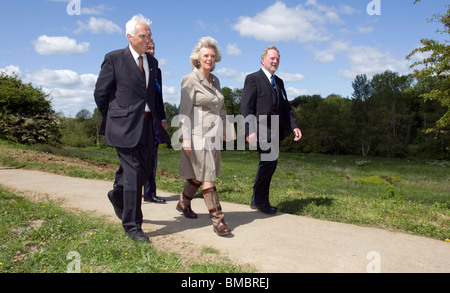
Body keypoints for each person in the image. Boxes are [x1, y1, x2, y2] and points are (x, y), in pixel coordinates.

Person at [94, 14, 160, 242]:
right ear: (130, 36)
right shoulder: (114, 59)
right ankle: (133, 226)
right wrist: (114, 117)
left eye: (149, 35)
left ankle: (117, 195)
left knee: (143, 171)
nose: (147, 39)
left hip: (146, 126)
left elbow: (152, 95)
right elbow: (101, 94)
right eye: (143, 35)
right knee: (132, 174)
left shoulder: (152, 62)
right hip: (122, 126)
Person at [177, 36, 232, 237]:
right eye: (205, 55)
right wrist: (186, 138)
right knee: (208, 175)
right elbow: (184, 111)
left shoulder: (215, 80)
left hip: (214, 135)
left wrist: (227, 129)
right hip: (197, 134)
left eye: (212, 55)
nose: (209, 58)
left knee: (198, 175)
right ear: (198, 58)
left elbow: (222, 108)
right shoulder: (190, 80)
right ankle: (218, 220)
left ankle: (183, 203)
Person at [240, 46, 302, 215]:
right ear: (263, 60)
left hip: (274, 129)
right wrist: (249, 131)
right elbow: (246, 107)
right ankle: (262, 202)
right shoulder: (253, 79)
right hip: (260, 129)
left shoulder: (279, 82)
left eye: (277, 59)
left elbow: (285, 107)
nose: (275, 61)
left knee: (269, 164)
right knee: (269, 163)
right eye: (272, 58)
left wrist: (294, 125)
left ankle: (256, 199)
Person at [143, 38, 169, 204]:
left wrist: (163, 117)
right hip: (137, 120)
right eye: (148, 48)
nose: (151, 51)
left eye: (153, 48)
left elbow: (159, 97)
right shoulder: (135, 67)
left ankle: (150, 192)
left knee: (152, 156)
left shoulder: (157, 71)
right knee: (135, 157)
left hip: (154, 120)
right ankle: (124, 189)